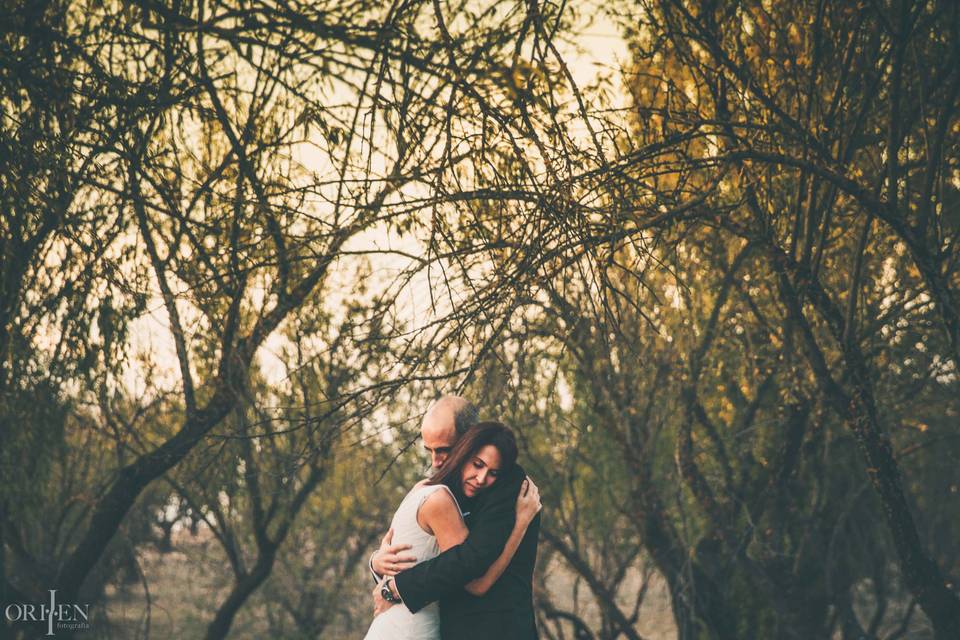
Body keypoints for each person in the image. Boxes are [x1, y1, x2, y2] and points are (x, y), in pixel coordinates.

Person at [370, 396, 542, 640]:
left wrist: (399, 586)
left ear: (469, 440)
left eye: (443, 450)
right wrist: (376, 561)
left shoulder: (509, 484)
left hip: (498, 629)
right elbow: (409, 544)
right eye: (429, 451)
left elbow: (470, 560)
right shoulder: (439, 489)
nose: (435, 462)